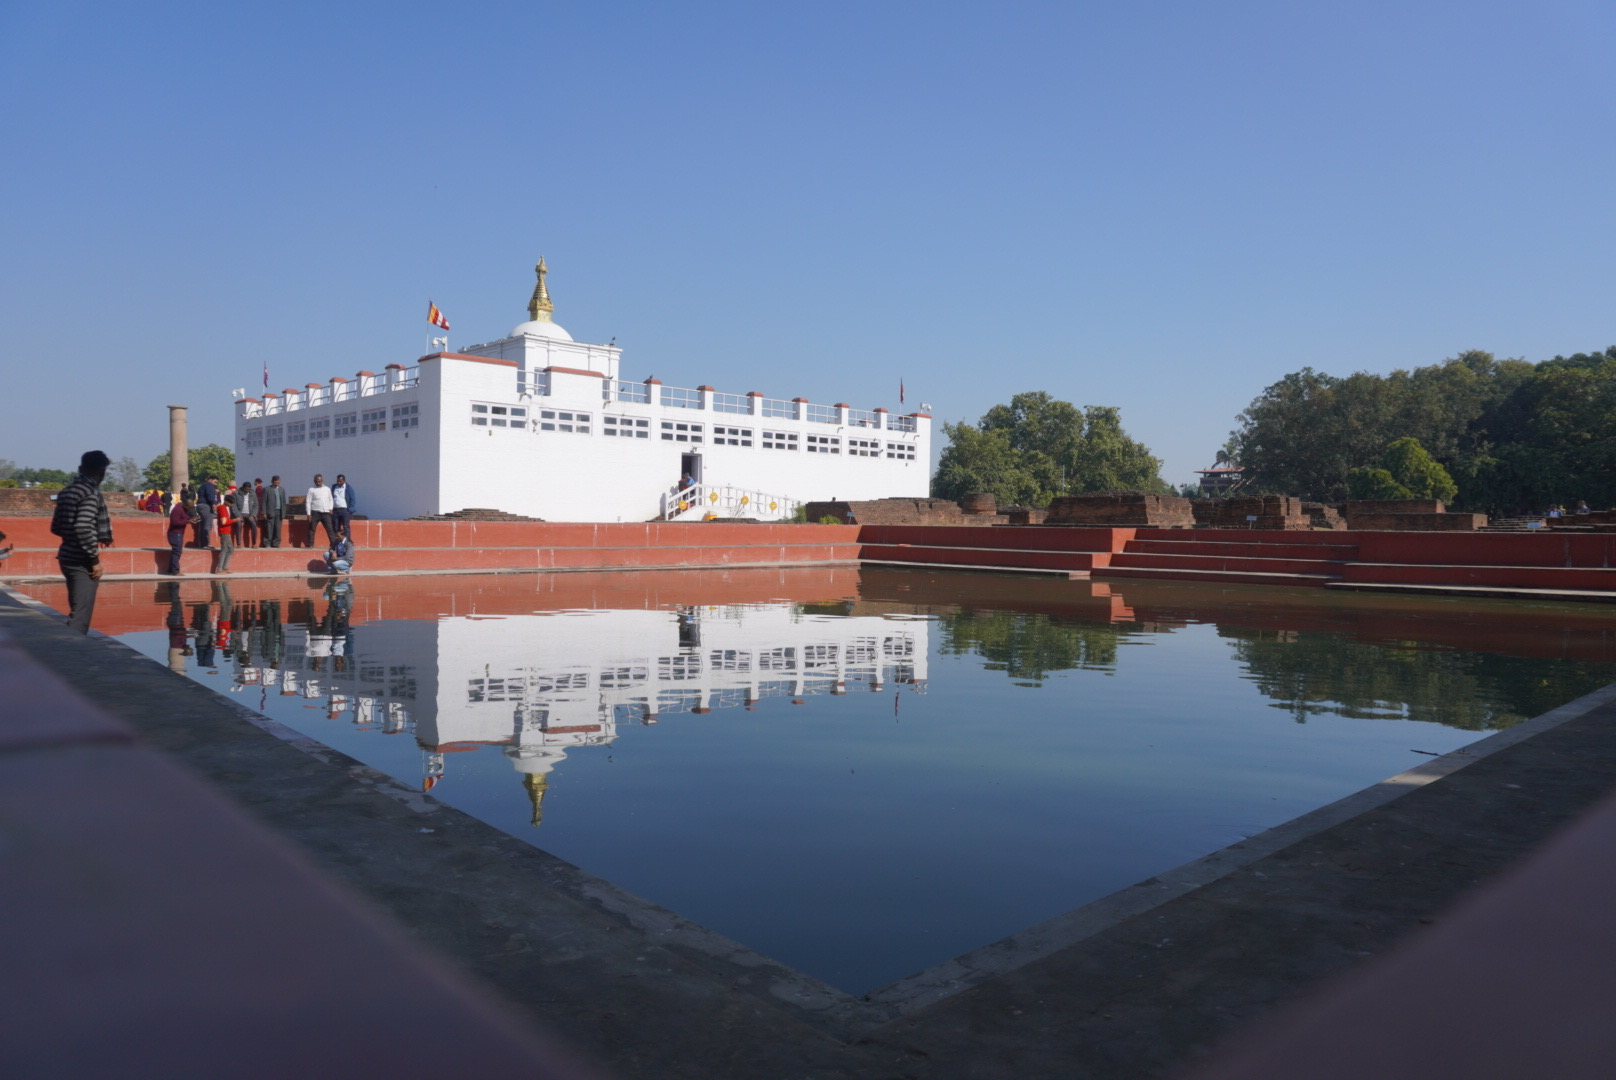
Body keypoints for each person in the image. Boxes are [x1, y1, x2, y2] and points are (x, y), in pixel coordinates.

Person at [50, 450, 114, 634]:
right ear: (101, 471)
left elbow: (56, 527)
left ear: (81, 468)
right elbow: (83, 527)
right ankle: (72, 649)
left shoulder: (67, 491)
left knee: (77, 608)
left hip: (66, 556)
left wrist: (70, 536)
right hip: (81, 560)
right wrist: (94, 561)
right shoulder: (90, 493)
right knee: (80, 616)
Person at [166, 496, 195, 575]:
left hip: (178, 533)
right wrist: (188, 521)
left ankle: (171, 570)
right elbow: (175, 522)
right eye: (189, 507)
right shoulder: (177, 510)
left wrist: (191, 519)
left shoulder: (183, 508)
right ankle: (175, 571)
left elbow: (183, 517)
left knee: (175, 552)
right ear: (185, 505)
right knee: (177, 552)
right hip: (175, 533)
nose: (190, 509)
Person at [306, 473, 336, 548]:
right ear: (314, 481)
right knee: (312, 529)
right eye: (317, 481)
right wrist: (308, 514)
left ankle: (333, 545)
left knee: (330, 529)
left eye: (320, 481)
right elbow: (308, 502)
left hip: (326, 512)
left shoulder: (327, 489)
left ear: (322, 480)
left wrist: (331, 508)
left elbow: (331, 499)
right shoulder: (311, 490)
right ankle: (310, 545)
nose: (318, 483)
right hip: (315, 512)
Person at [195, 474, 220, 548]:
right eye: (215, 482)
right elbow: (210, 495)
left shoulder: (202, 485)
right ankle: (206, 543)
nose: (215, 484)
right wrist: (213, 504)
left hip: (200, 505)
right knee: (207, 525)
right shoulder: (209, 485)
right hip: (206, 506)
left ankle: (203, 543)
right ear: (210, 480)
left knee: (203, 524)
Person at [262, 475, 288, 547]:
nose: (277, 483)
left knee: (278, 529)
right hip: (270, 512)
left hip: (279, 512)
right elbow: (264, 502)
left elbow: (284, 502)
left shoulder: (282, 490)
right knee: (269, 528)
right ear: (272, 482)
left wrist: (284, 512)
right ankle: (267, 543)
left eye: (278, 482)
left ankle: (276, 543)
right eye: (276, 482)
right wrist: (264, 512)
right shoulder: (267, 489)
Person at [215, 492, 236, 573]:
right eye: (230, 503)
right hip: (224, 531)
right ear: (226, 501)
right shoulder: (222, 508)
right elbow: (223, 522)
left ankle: (224, 568)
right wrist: (234, 520)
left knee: (230, 549)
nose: (231, 505)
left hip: (226, 531)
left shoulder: (223, 508)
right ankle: (219, 569)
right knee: (225, 550)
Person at [331, 474, 356, 538]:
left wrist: (349, 510)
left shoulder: (348, 488)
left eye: (340, 481)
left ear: (344, 481)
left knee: (346, 526)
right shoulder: (334, 487)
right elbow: (331, 498)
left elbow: (352, 499)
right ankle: (337, 540)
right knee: (335, 526)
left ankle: (347, 540)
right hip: (336, 510)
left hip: (345, 510)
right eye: (337, 481)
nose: (339, 482)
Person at [235, 479, 258, 548]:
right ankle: (238, 543)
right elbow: (234, 506)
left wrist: (253, 515)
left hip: (249, 514)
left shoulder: (253, 494)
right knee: (238, 525)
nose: (247, 491)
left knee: (254, 525)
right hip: (240, 514)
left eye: (248, 489)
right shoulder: (236, 493)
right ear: (243, 488)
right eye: (246, 489)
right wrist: (238, 515)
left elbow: (256, 506)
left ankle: (254, 543)